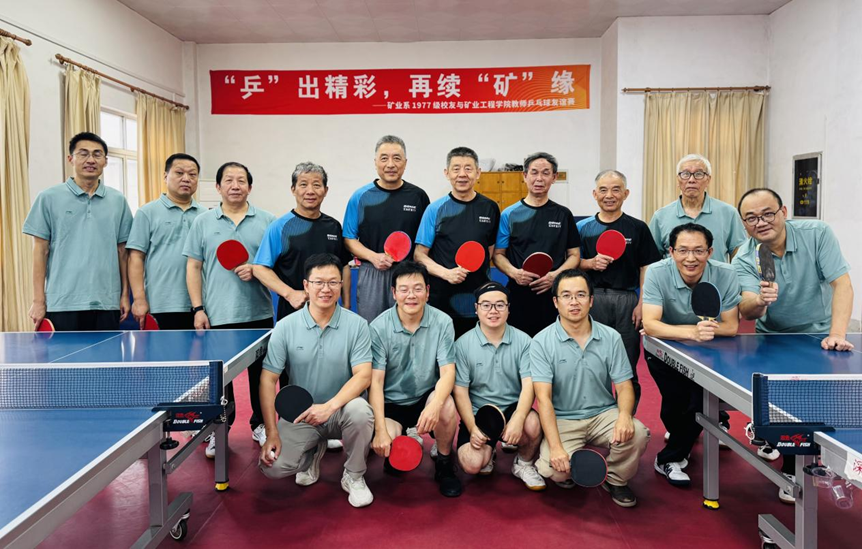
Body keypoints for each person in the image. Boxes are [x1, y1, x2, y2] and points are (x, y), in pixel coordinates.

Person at [733, 188, 854, 503]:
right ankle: (791, 470)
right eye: (751, 218)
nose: (761, 222)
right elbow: (747, 309)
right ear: (744, 224)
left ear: (783, 212)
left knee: (821, 403)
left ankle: (801, 453)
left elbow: (841, 284)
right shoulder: (745, 257)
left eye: (767, 214)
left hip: (818, 333)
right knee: (784, 406)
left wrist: (837, 333)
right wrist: (761, 300)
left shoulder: (817, 234)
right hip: (772, 337)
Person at [259, 254, 375, 508]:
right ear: (306, 285)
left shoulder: (357, 325)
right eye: (319, 282)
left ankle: (354, 475)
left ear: (341, 285)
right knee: (273, 467)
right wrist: (271, 432)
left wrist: (329, 407)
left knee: (361, 411)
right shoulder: (285, 327)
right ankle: (311, 452)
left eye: (333, 282)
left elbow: (364, 375)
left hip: (342, 409)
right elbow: (268, 380)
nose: (326, 289)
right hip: (302, 414)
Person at [532, 270, 649, 507]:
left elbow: (624, 386)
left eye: (581, 295)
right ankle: (566, 457)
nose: (574, 302)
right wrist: (556, 447)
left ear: (591, 300)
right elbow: (543, 399)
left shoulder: (611, 337)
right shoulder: (541, 342)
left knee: (637, 433)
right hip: (564, 418)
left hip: (603, 414)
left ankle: (615, 478)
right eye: (566, 296)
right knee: (554, 472)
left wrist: (624, 416)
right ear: (555, 302)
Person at [183, 161, 276, 457]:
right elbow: (193, 266)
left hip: (258, 312)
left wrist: (256, 269)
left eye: (241, 180)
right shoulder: (202, 222)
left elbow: (276, 265)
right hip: (218, 314)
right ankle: (219, 430)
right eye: (229, 180)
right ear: (218, 186)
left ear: (250, 186)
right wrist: (198, 308)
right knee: (220, 380)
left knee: (261, 376)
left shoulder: (268, 221)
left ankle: (261, 425)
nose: (235, 185)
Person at [641, 223, 740, 486]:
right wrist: (691, 332)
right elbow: (650, 324)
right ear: (671, 252)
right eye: (683, 250)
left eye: (698, 250)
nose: (690, 258)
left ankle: (669, 458)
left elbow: (731, 326)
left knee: (699, 402)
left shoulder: (726, 274)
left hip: (710, 350)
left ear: (710, 252)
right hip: (663, 348)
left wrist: (694, 334)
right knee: (674, 404)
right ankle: (690, 430)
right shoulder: (657, 272)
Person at [368, 261, 461, 497]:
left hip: (424, 396)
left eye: (418, 288)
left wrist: (435, 405)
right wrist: (379, 429)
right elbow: (375, 382)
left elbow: (448, 372)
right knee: (389, 451)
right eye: (404, 289)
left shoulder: (442, 322)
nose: (411, 295)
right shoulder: (378, 327)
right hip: (391, 402)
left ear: (427, 292)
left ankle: (444, 463)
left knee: (446, 406)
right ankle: (397, 437)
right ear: (394, 293)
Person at [23, 132, 133, 331]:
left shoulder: (118, 201)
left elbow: (123, 252)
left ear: (105, 161)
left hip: (107, 303)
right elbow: (40, 251)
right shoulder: (48, 198)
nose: (90, 160)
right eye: (83, 154)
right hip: (62, 303)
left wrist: (124, 295)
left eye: (97, 154)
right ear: (70, 159)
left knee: (107, 352)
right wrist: (38, 301)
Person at [577, 169, 662, 413]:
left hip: (627, 301)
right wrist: (590, 263)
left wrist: (642, 303)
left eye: (616, 189)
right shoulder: (582, 228)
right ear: (595, 194)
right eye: (603, 190)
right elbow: (571, 263)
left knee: (627, 366)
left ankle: (626, 418)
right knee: (592, 364)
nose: (609, 195)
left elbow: (647, 267)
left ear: (626, 193)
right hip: (592, 301)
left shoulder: (638, 227)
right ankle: (597, 417)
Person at [453, 282, 545, 491]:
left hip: (512, 408)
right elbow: (460, 392)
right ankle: (490, 451)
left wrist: (518, 418)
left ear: (508, 308)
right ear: (476, 308)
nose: (493, 311)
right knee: (471, 464)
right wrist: (472, 428)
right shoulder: (462, 344)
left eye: (499, 305)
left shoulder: (525, 341)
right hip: (480, 413)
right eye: (486, 305)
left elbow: (529, 385)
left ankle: (523, 463)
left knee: (532, 424)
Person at [415, 146, 500, 338]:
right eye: (456, 168)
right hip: (441, 300)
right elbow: (419, 255)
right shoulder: (435, 209)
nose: (462, 174)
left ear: (478, 173)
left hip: (479, 301)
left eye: (468, 168)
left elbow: (490, 251)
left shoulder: (490, 208)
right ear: (447, 173)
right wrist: (446, 273)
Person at [493, 152, 580, 337]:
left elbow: (574, 255)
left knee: (552, 346)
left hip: (554, 293)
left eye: (545, 173)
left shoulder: (563, 214)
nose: (539, 178)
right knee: (519, 346)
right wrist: (514, 273)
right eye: (534, 172)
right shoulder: (509, 214)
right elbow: (498, 254)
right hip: (518, 293)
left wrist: (555, 276)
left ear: (554, 177)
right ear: (525, 176)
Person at [343, 136, 430, 322]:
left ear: (405, 163)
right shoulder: (360, 197)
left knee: (410, 327)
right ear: (375, 162)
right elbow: (348, 239)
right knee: (372, 328)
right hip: (372, 272)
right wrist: (373, 257)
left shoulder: (418, 196)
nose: (390, 164)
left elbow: (426, 241)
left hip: (409, 273)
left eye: (397, 158)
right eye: (384, 158)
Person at [253, 162, 351, 321]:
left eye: (316, 185)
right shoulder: (280, 227)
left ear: (325, 191)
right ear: (293, 189)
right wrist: (290, 294)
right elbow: (259, 268)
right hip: (293, 312)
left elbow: (344, 265)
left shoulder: (333, 226)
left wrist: (346, 304)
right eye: (303, 184)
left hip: (330, 311)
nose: (310, 191)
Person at [127, 153, 206, 330]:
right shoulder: (147, 212)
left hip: (201, 305)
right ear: (165, 176)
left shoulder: (206, 215)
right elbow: (135, 258)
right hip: (162, 303)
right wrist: (139, 299)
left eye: (192, 174)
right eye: (179, 173)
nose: (186, 178)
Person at [648, 154, 747, 262]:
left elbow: (739, 256)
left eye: (698, 174)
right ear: (678, 180)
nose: (691, 180)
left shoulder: (728, 213)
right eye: (685, 174)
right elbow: (651, 260)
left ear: (708, 180)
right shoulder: (660, 217)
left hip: (716, 274)